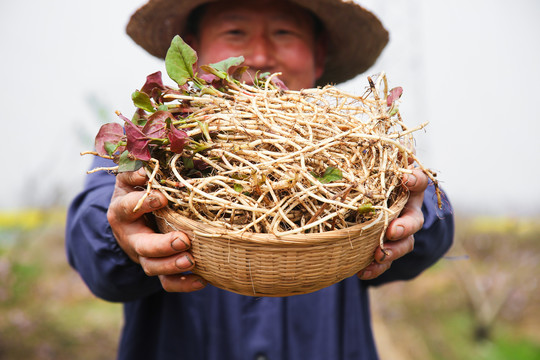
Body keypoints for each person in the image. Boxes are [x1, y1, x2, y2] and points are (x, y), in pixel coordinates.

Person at [66, 0, 454, 359]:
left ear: (318, 56)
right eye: (235, 33)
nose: (261, 55)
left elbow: (432, 221)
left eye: (284, 33)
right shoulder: (155, 150)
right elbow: (93, 238)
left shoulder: (359, 149)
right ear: (195, 52)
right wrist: (124, 238)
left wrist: (410, 210)